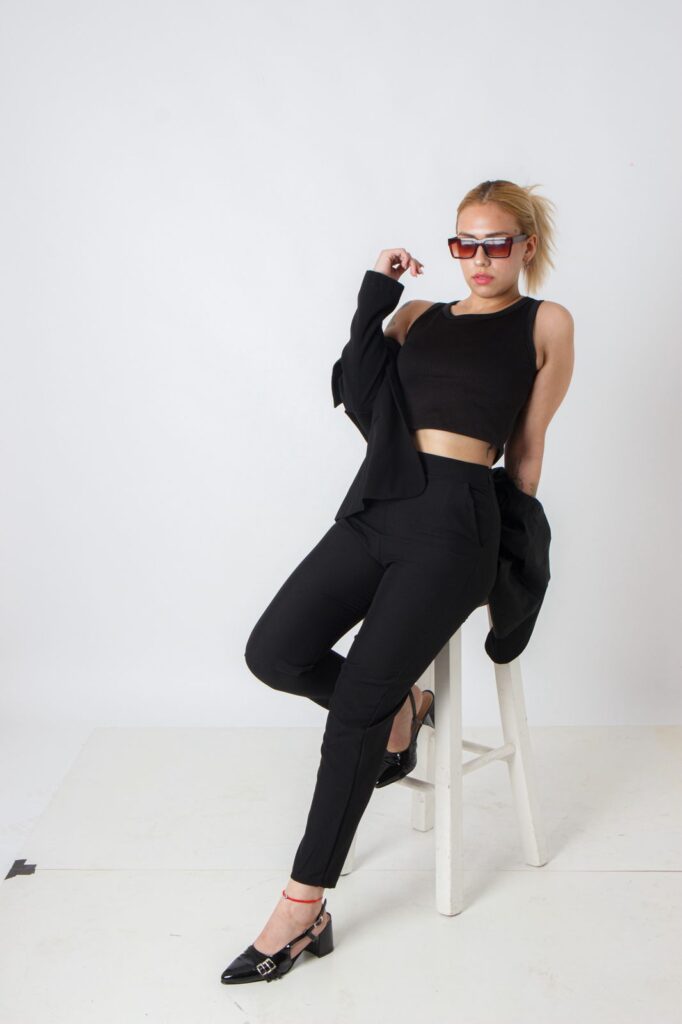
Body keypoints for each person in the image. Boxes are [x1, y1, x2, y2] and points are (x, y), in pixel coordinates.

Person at [220, 179, 575, 984]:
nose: (479, 259)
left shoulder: (546, 322)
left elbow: (526, 449)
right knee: (273, 652)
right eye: (464, 244)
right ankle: (403, 708)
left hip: (458, 522)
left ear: (525, 246)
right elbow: (358, 387)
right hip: (380, 503)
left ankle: (302, 909)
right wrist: (375, 295)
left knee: (353, 711)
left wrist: (511, 551)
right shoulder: (417, 317)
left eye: (495, 244)